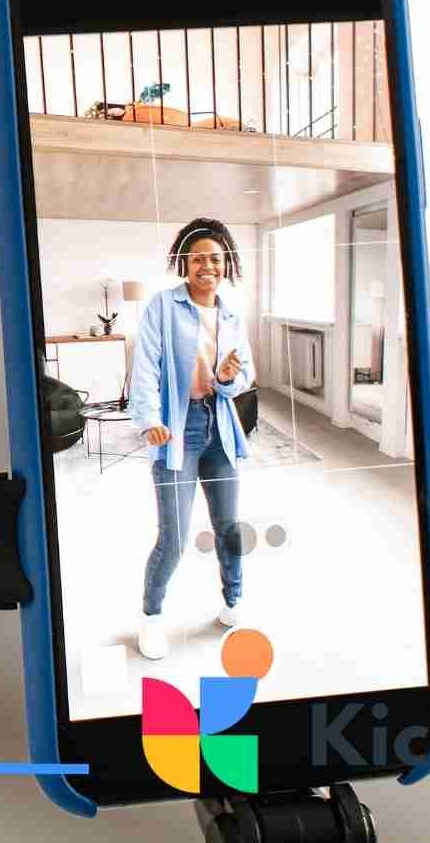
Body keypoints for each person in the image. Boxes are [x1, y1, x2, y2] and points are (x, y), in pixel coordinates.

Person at [127, 217, 256, 661]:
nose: (207, 265)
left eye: (215, 259)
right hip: (178, 430)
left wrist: (226, 380)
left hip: (219, 429)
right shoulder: (163, 306)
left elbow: (246, 375)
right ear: (184, 263)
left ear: (226, 266)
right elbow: (145, 366)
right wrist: (148, 419)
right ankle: (151, 617)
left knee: (229, 528)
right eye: (198, 257)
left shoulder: (233, 313)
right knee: (175, 536)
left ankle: (233, 604)